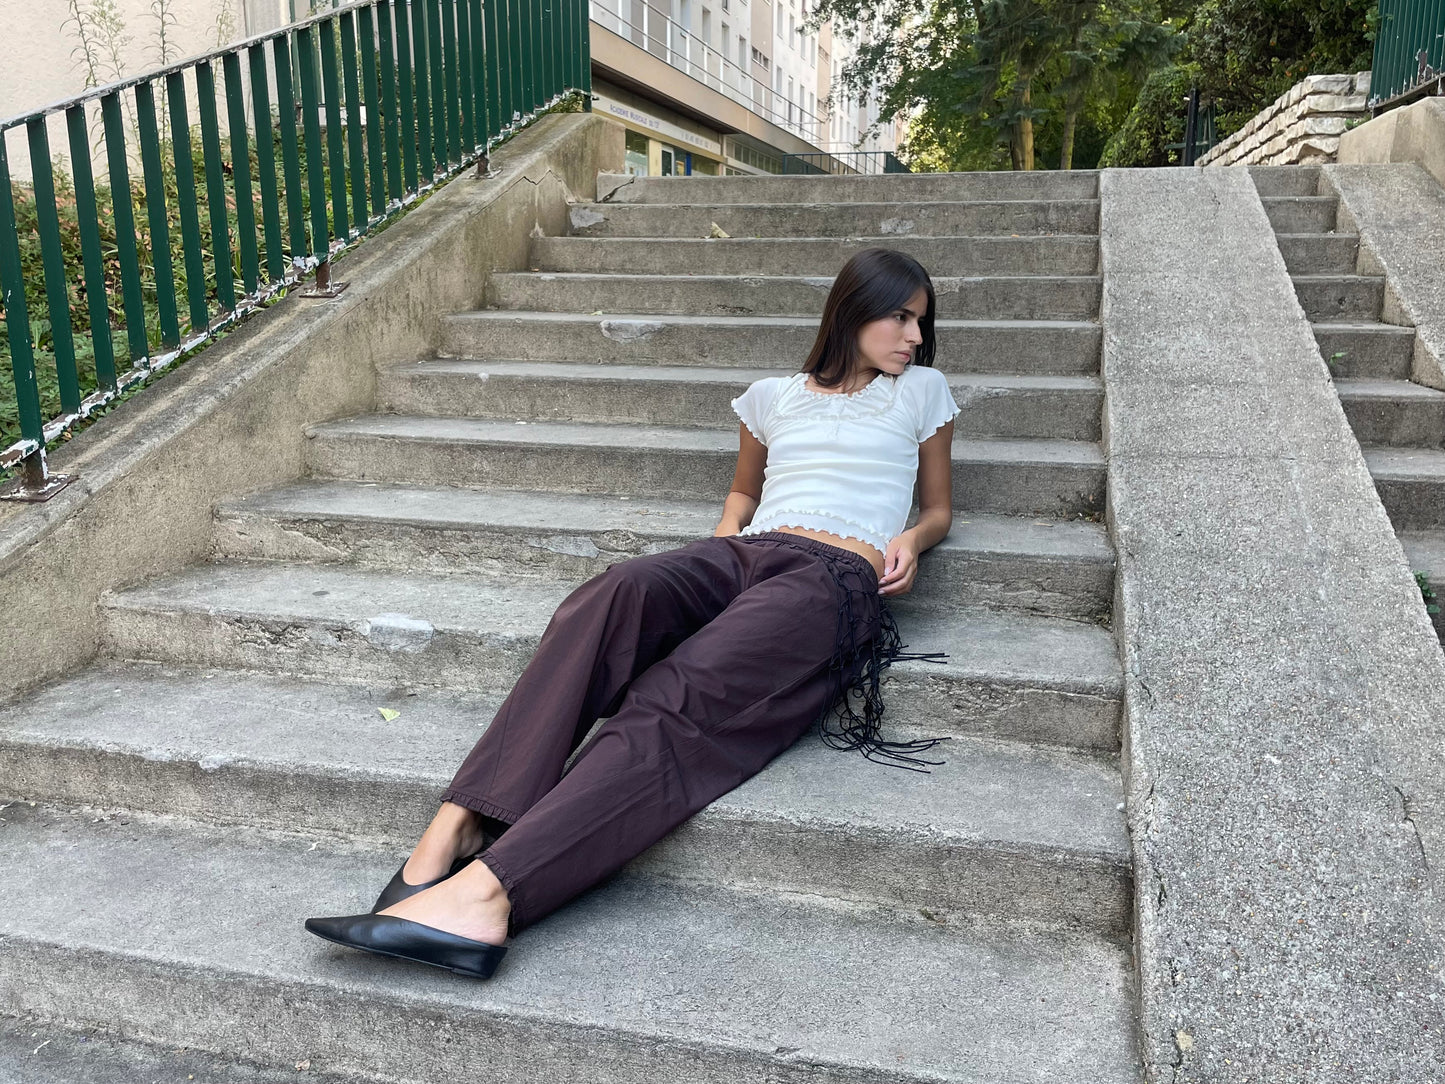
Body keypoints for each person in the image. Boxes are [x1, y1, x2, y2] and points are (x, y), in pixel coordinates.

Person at [304, 246, 962, 980]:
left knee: (677, 694)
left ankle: (489, 895)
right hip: (746, 553)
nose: (912, 336)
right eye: (899, 317)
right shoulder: (771, 396)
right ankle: (455, 826)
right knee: (613, 593)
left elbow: (936, 508)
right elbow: (742, 498)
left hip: (835, 576)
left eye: (919, 324)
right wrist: (716, 557)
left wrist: (908, 539)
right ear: (851, 310)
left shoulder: (921, 391)